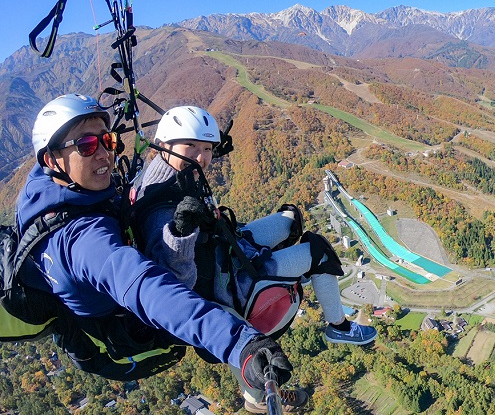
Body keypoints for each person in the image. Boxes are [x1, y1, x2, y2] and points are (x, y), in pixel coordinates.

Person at [16, 94, 291, 406]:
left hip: (94, 310)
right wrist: (241, 344)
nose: (104, 153)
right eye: (86, 146)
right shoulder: (85, 245)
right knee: (228, 298)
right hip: (129, 337)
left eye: (107, 140)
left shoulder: (43, 188)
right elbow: (151, 290)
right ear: (51, 159)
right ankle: (256, 397)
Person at [131, 105, 377, 411]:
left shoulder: (165, 172)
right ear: (165, 145)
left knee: (290, 219)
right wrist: (181, 232)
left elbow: (191, 162)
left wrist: (212, 150)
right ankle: (338, 328)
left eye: (207, 148)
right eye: (191, 146)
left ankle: (290, 273)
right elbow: (175, 285)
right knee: (319, 251)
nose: (202, 157)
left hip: (225, 247)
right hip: (225, 283)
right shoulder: (160, 209)